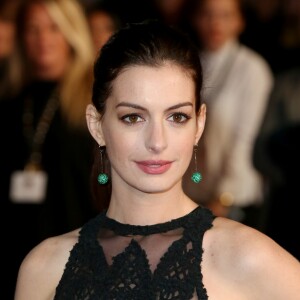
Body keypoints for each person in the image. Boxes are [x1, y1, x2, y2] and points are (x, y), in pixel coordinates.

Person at [14, 20, 300, 300]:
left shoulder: (246, 258)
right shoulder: (43, 267)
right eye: (133, 117)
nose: (157, 141)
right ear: (96, 125)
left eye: (177, 117)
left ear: (198, 125)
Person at [0, 0, 98, 298]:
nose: (43, 39)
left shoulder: (95, 101)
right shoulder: (12, 101)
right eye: (33, 29)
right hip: (17, 253)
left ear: (71, 33)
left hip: (81, 254)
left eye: (54, 27)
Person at [183, 0, 274, 225]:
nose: (215, 23)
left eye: (225, 15)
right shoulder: (189, 64)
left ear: (240, 21)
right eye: (207, 14)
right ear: (195, 18)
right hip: (192, 192)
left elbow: (245, 138)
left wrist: (224, 196)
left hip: (234, 198)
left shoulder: (252, 68)